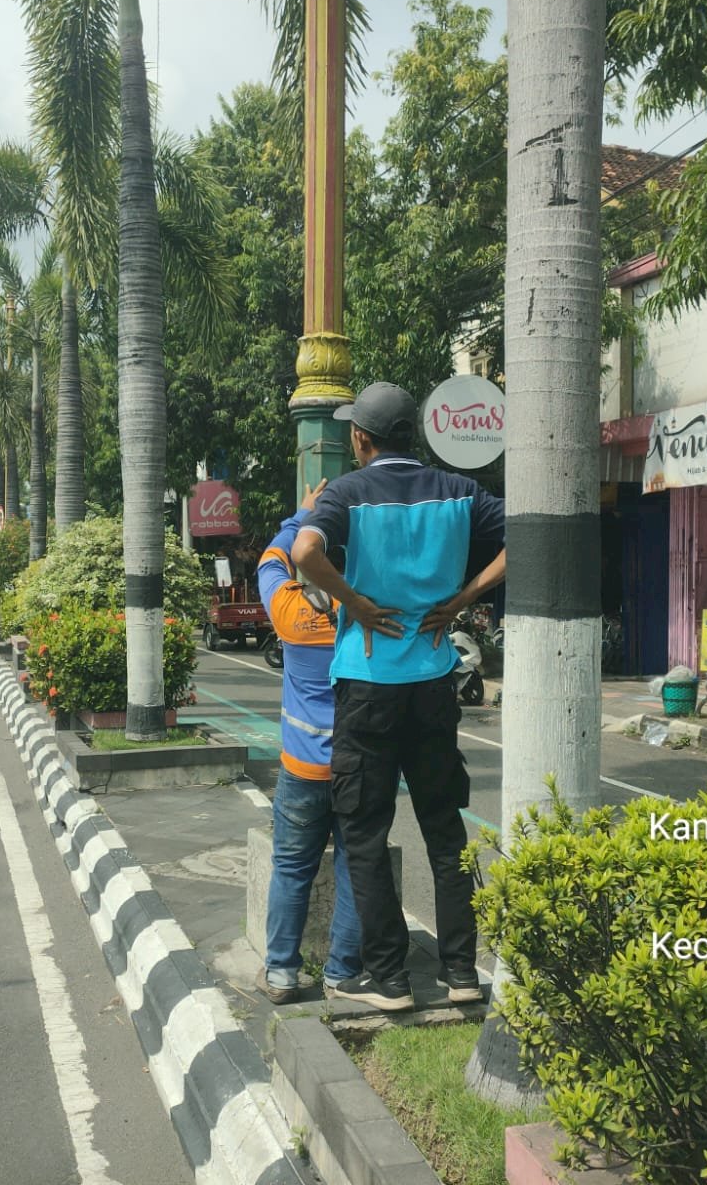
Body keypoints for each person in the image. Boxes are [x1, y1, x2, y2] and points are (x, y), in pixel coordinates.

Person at [290, 381, 505, 1012]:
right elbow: (524, 536)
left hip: (367, 685)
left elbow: (305, 551)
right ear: (414, 433)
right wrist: (462, 601)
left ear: (361, 437)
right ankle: (462, 973)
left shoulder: (349, 494)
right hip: (434, 682)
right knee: (445, 832)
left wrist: (354, 602)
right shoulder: (460, 493)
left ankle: (389, 981)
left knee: (364, 832)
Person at [253, 479, 363, 1004]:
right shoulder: (364, 616)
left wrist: (299, 518)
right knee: (353, 869)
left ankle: (280, 973)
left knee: (292, 870)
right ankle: (342, 974)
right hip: (357, 766)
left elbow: (269, 562)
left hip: (300, 769)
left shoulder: (292, 615)